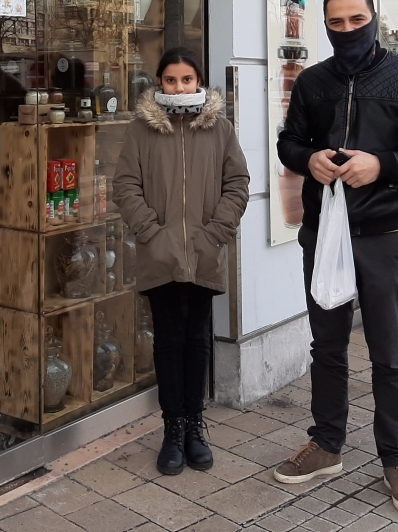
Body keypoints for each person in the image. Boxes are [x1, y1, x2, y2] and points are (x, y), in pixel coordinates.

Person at [275, 0, 398, 518]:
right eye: (337, 22)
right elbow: (289, 140)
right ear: (325, 26)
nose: (348, 30)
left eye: (358, 19)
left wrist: (384, 165)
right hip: (324, 232)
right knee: (326, 345)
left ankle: (397, 459)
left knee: (388, 353)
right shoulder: (312, 82)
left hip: (382, 232)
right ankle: (326, 445)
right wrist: (307, 159)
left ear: (375, 19)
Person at [114, 47, 250, 476]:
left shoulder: (221, 129)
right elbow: (125, 186)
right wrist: (152, 235)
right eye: (170, 80)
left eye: (186, 80)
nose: (179, 87)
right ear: (160, 84)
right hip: (160, 256)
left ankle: (195, 425)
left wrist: (215, 234)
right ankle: (172, 428)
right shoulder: (141, 131)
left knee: (198, 339)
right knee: (168, 341)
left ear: (199, 82)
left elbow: (238, 183)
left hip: (205, 254)